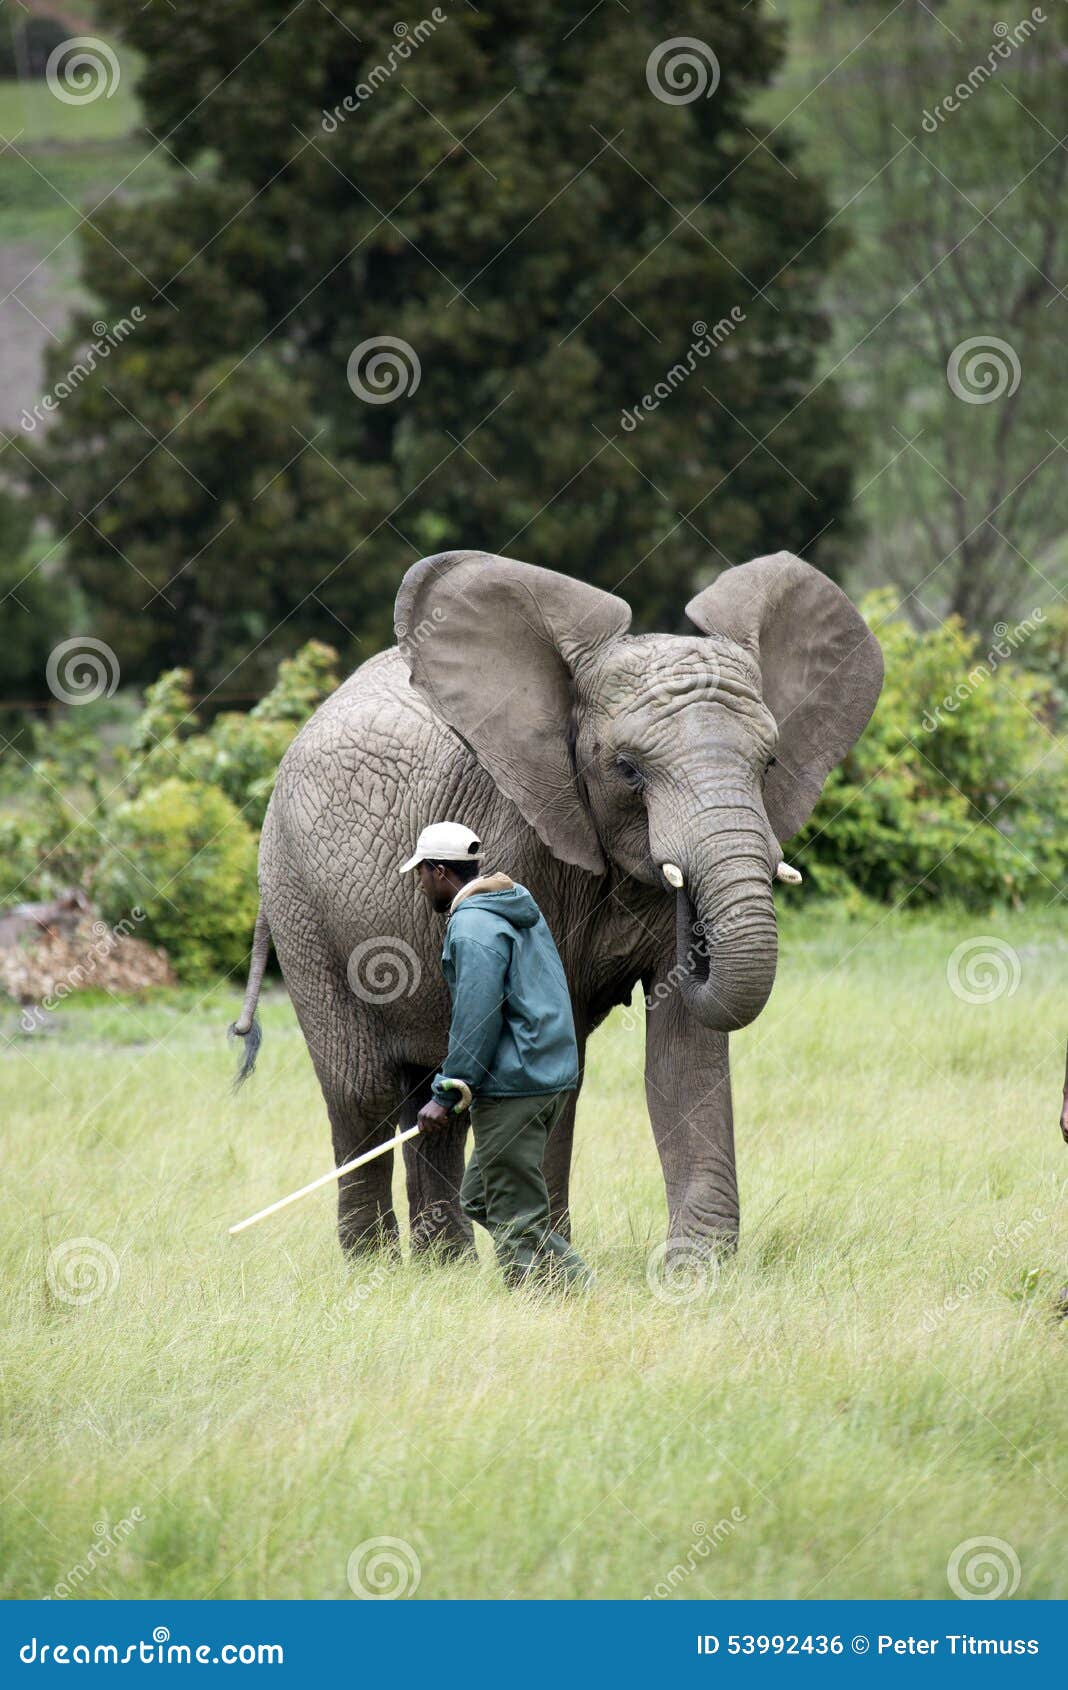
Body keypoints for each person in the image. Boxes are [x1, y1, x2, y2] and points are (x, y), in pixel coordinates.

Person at [401, 821, 592, 1290]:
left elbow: (477, 1017)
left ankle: (563, 1301)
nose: (419, 883)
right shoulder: (511, 909)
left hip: (516, 1087)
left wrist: (446, 1092)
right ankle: (570, 1291)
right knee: (482, 1197)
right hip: (547, 1075)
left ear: (440, 871)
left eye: (421, 873)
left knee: (514, 1213)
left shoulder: (471, 927)